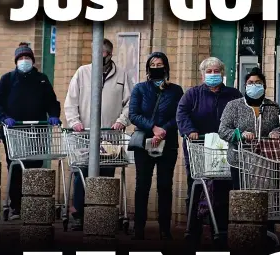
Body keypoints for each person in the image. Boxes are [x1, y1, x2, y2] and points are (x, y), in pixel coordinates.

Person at [63, 38, 133, 230]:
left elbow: (130, 103)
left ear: (109, 54)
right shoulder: (82, 73)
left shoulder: (122, 75)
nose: (99, 57)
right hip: (84, 134)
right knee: (82, 173)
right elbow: (71, 101)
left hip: (110, 135)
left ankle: (104, 213)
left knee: (107, 173)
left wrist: (121, 120)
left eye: (103, 54)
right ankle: (79, 213)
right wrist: (75, 122)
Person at [218, 67, 280, 244]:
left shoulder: (272, 107)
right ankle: (241, 232)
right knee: (243, 197)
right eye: (250, 83)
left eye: (258, 83)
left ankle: (267, 233)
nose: (254, 86)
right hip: (240, 160)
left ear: (264, 86)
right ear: (245, 85)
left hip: (265, 161)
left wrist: (276, 131)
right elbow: (223, 130)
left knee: (267, 197)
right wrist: (240, 134)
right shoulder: (234, 106)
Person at [0, 42, 62, 220]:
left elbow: (52, 102)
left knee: (35, 166)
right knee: (16, 166)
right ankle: (16, 205)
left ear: (33, 60)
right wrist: (4, 118)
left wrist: (53, 115)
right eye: (21, 58)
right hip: (13, 131)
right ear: (16, 61)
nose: (24, 61)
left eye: (27, 58)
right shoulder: (7, 79)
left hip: (36, 131)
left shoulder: (41, 79)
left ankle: (32, 203)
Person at [175, 57, 242, 243]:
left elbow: (243, 114)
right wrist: (190, 131)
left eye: (216, 71)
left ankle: (219, 228)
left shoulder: (233, 94)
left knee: (223, 187)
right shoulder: (192, 94)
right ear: (202, 75)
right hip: (199, 148)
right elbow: (181, 114)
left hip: (225, 148)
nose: (213, 75)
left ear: (222, 73)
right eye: (209, 72)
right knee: (196, 185)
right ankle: (193, 228)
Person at [129, 52, 184, 240]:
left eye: (160, 64)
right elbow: (133, 114)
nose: (156, 67)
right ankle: (139, 228)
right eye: (153, 64)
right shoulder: (139, 89)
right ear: (147, 68)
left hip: (167, 144)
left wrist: (163, 131)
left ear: (166, 67)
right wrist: (153, 128)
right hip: (143, 142)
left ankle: (164, 228)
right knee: (142, 185)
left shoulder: (176, 91)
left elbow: (179, 115)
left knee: (164, 185)